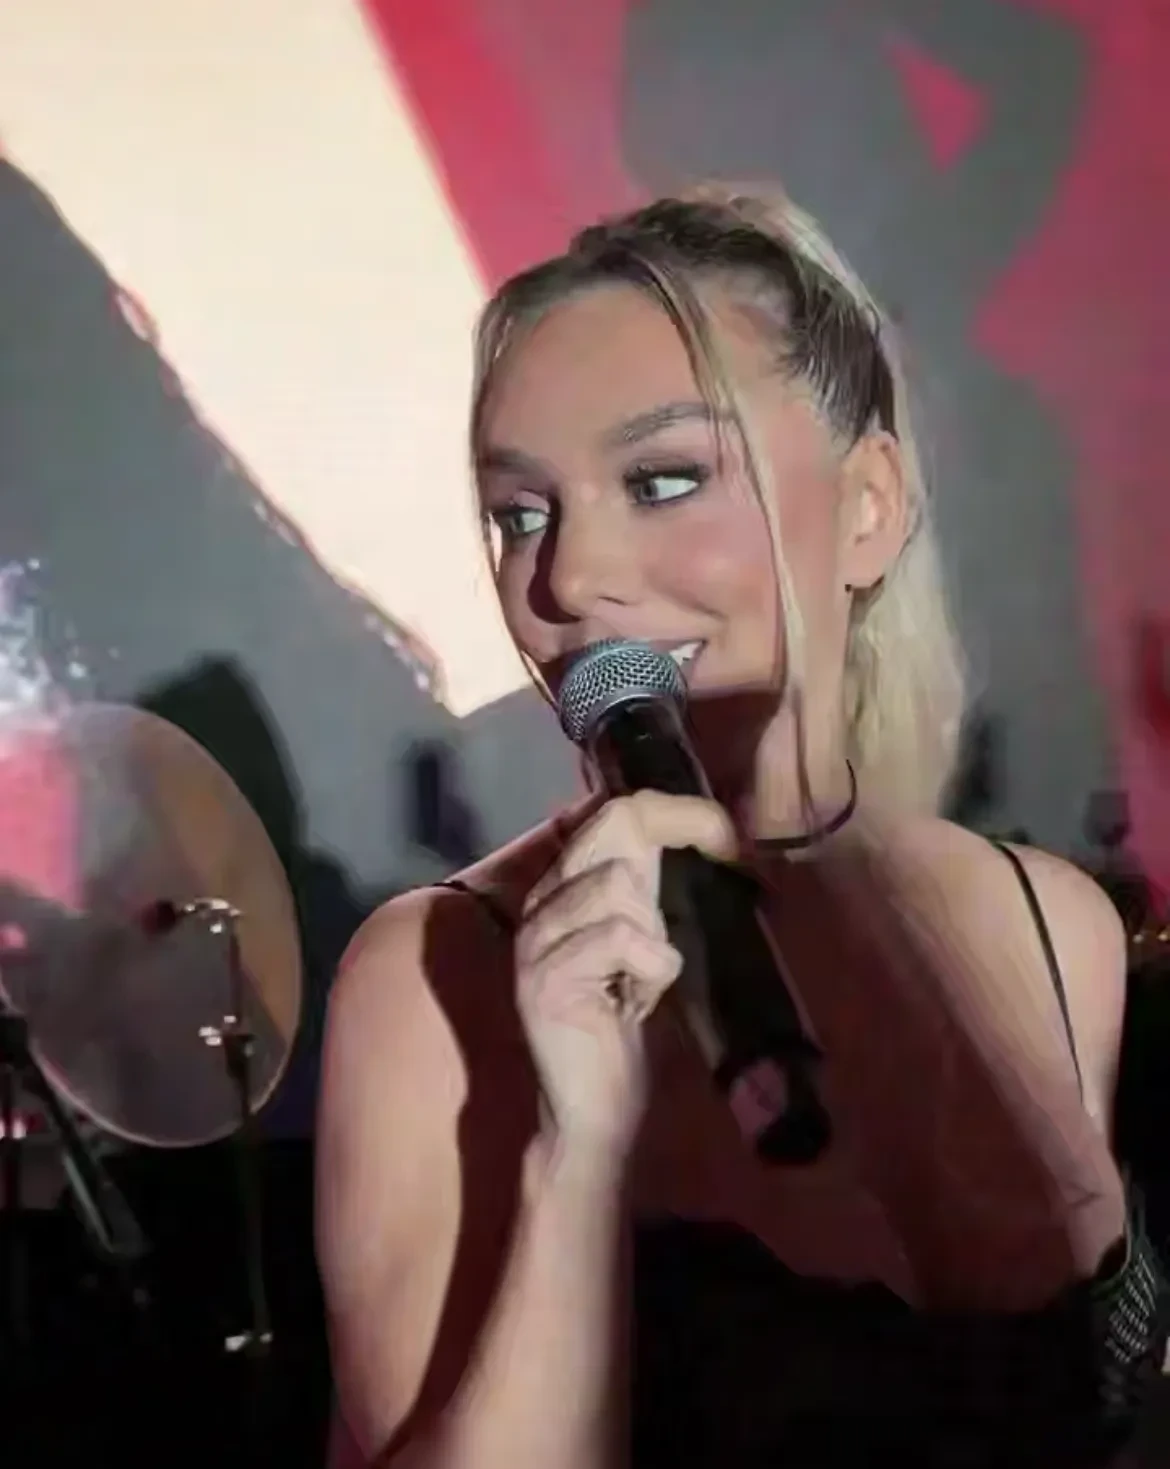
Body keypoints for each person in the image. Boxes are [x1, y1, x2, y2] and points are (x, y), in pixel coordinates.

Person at [315, 186, 1169, 1467]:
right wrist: (578, 1156)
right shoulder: (443, 974)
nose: (567, 577)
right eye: (521, 513)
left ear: (868, 506)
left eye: (663, 480)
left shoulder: (1058, 928)